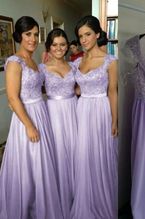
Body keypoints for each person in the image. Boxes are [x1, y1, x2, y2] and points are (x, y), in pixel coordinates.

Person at [0, 16, 63, 219]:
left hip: (41, 113)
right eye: (28, 34)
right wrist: (29, 126)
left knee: (42, 164)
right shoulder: (14, 62)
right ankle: (27, 208)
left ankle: (42, 205)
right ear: (19, 36)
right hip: (26, 117)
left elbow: (41, 86)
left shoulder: (34, 61)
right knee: (28, 165)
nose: (33, 39)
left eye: (36, 34)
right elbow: (12, 97)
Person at [70, 15, 118, 219]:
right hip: (82, 110)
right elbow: (78, 89)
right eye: (80, 36)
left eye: (87, 34)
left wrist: (115, 120)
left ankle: (101, 200)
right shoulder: (77, 61)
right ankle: (86, 199)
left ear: (97, 34)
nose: (83, 40)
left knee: (100, 155)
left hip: (100, 110)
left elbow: (113, 92)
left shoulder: (110, 60)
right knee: (83, 155)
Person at [38, 28, 78, 219]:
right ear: (49, 47)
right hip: (53, 113)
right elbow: (29, 89)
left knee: (76, 152)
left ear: (68, 46)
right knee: (58, 154)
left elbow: (80, 88)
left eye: (62, 44)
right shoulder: (42, 68)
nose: (59, 48)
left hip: (73, 110)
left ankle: (78, 197)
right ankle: (60, 199)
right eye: (54, 45)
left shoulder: (74, 66)